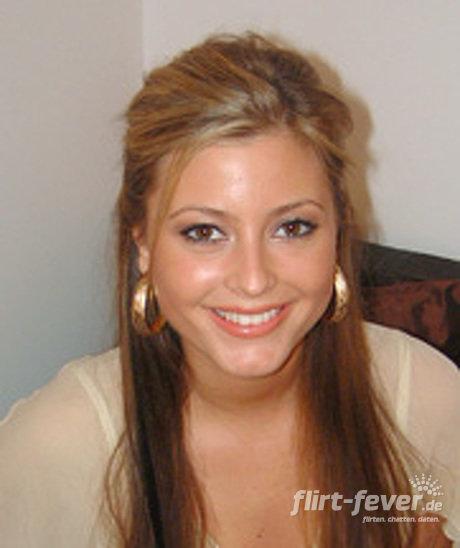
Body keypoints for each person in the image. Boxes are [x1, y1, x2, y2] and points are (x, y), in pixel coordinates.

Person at [0, 32, 458, 548]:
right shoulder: (57, 449)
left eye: (293, 227)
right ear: (143, 243)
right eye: (204, 232)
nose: (253, 279)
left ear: (337, 231)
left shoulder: (420, 399)